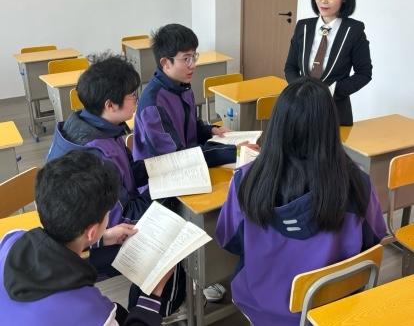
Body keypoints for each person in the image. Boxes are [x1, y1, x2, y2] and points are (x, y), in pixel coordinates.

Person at [215, 76, 386, 326]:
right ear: (330, 127)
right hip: (334, 307)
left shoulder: (247, 179)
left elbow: (230, 241)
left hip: (264, 308)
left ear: (277, 125)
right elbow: (373, 239)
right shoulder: (358, 182)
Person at [45, 52, 183, 317]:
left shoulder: (92, 123)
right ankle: (154, 312)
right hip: (88, 243)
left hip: (85, 231)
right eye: (132, 96)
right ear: (110, 105)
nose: (137, 100)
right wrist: (168, 189)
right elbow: (125, 216)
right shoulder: (96, 153)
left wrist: (167, 168)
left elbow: (128, 171)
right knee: (173, 235)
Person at [132, 23, 259, 303]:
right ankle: (191, 277)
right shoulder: (153, 104)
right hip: (163, 182)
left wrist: (212, 130)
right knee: (207, 209)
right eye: (186, 58)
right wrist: (232, 152)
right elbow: (179, 156)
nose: (193, 64)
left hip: (190, 168)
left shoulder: (181, 86)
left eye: (194, 56)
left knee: (226, 196)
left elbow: (191, 127)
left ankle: (208, 269)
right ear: (165, 62)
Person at [0, 150, 174, 326]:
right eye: (108, 214)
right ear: (91, 231)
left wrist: (102, 238)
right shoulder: (95, 314)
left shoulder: (11, 239)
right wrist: (153, 294)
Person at [284, 0, 372, 126]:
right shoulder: (303, 26)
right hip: (299, 107)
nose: (323, 0)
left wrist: (329, 92)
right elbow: (290, 67)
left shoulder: (354, 30)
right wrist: (300, 92)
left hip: (334, 109)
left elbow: (364, 73)